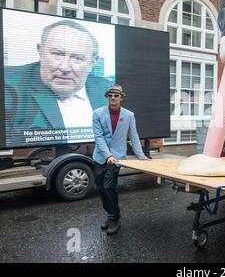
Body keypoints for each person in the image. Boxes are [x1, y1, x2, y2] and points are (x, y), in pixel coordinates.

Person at [5, 19, 113, 138]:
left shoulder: (107, 90)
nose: (65, 67)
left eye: (77, 58)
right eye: (57, 54)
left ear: (93, 62)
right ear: (40, 51)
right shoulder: (7, 84)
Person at [92, 84, 148, 235]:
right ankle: (110, 214)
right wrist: (107, 155)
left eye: (116, 95)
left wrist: (141, 156)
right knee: (100, 188)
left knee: (109, 187)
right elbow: (98, 137)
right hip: (100, 156)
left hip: (117, 157)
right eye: (110, 95)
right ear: (107, 97)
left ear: (121, 97)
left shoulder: (129, 115)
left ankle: (115, 218)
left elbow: (134, 136)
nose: (113, 98)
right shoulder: (97, 113)